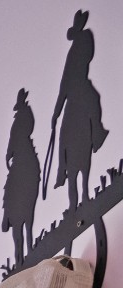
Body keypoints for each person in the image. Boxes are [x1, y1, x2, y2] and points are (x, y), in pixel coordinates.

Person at [50, 10, 108, 205]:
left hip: (82, 86)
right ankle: (61, 171)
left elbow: (88, 55)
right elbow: (63, 84)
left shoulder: (85, 38)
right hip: (73, 93)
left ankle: (97, 132)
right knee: (63, 135)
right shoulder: (71, 52)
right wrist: (56, 113)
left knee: (95, 98)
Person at [6, 88, 42, 259]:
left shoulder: (26, 114)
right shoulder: (18, 119)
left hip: (24, 152)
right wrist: (8, 153)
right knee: (10, 186)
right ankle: (7, 216)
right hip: (19, 154)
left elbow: (24, 131)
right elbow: (12, 139)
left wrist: (12, 151)